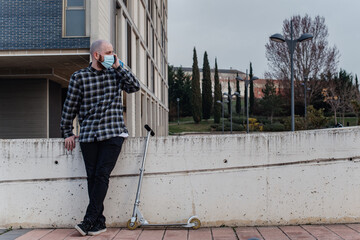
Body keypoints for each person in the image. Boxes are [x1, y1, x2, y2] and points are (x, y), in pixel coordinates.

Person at [60, 39, 140, 236]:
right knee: (93, 178)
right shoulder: (79, 77)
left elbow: (134, 86)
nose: (113, 55)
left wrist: (118, 66)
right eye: (109, 52)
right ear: (97, 55)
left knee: (102, 174)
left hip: (113, 132)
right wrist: (67, 132)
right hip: (88, 135)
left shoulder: (116, 73)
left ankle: (88, 221)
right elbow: (69, 107)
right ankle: (99, 222)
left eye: (113, 51)